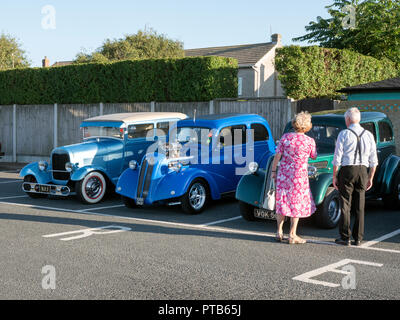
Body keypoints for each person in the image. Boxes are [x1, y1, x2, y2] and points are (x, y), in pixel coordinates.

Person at [333, 108, 378, 246]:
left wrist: (335, 176)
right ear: (359, 119)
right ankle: (358, 237)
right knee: (360, 205)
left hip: (348, 170)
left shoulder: (344, 134)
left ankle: (345, 237)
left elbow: (337, 158)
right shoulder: (369, 134)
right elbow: (374, 160)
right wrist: (370, 177)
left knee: (345, 204)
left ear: (347, 119)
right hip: (363, 170)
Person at [271, 111, 317, 244]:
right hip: (299, 176)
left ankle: (279, 232)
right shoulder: (309, 141)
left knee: (282, 201)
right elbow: (313, 156)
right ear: (308, 125)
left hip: (284, 174)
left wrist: (274, 171)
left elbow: (277, 156)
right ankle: (292, 234)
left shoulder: (285, 138)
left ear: (294, 123)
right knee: (296, 202)